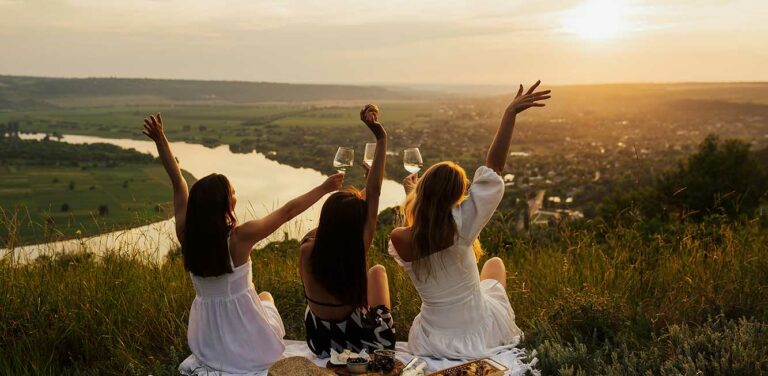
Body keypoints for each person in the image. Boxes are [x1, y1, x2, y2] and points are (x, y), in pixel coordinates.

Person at [142, 113, 344, 373]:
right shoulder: (239, 238)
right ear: (225, 205)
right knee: (266, 296)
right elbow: (287, 212)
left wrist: (161, 140)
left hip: (209, 339)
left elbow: (177, 180)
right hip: (248, 344)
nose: (236, 196)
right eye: (233, 193)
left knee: (260, 299)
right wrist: (324, 188)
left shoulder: (186, 234)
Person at [389, 81, 551, 359]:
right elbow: (494, 167)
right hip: (474, 331)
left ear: (423, 191)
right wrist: (509, 115)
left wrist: (412, 196)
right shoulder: (461, 224)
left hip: (431, 338)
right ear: (455, 196)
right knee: (495, 265)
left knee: (489, 273)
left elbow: (419, 227)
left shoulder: (399, 239)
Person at [298, 105, 395, 358]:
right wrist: (381, 137)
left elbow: (355, 208)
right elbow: (373, 196)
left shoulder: (307, 249)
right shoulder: (357, 247)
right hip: (357, 340)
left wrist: (364, 190)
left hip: (319, 340)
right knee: (378, 271)